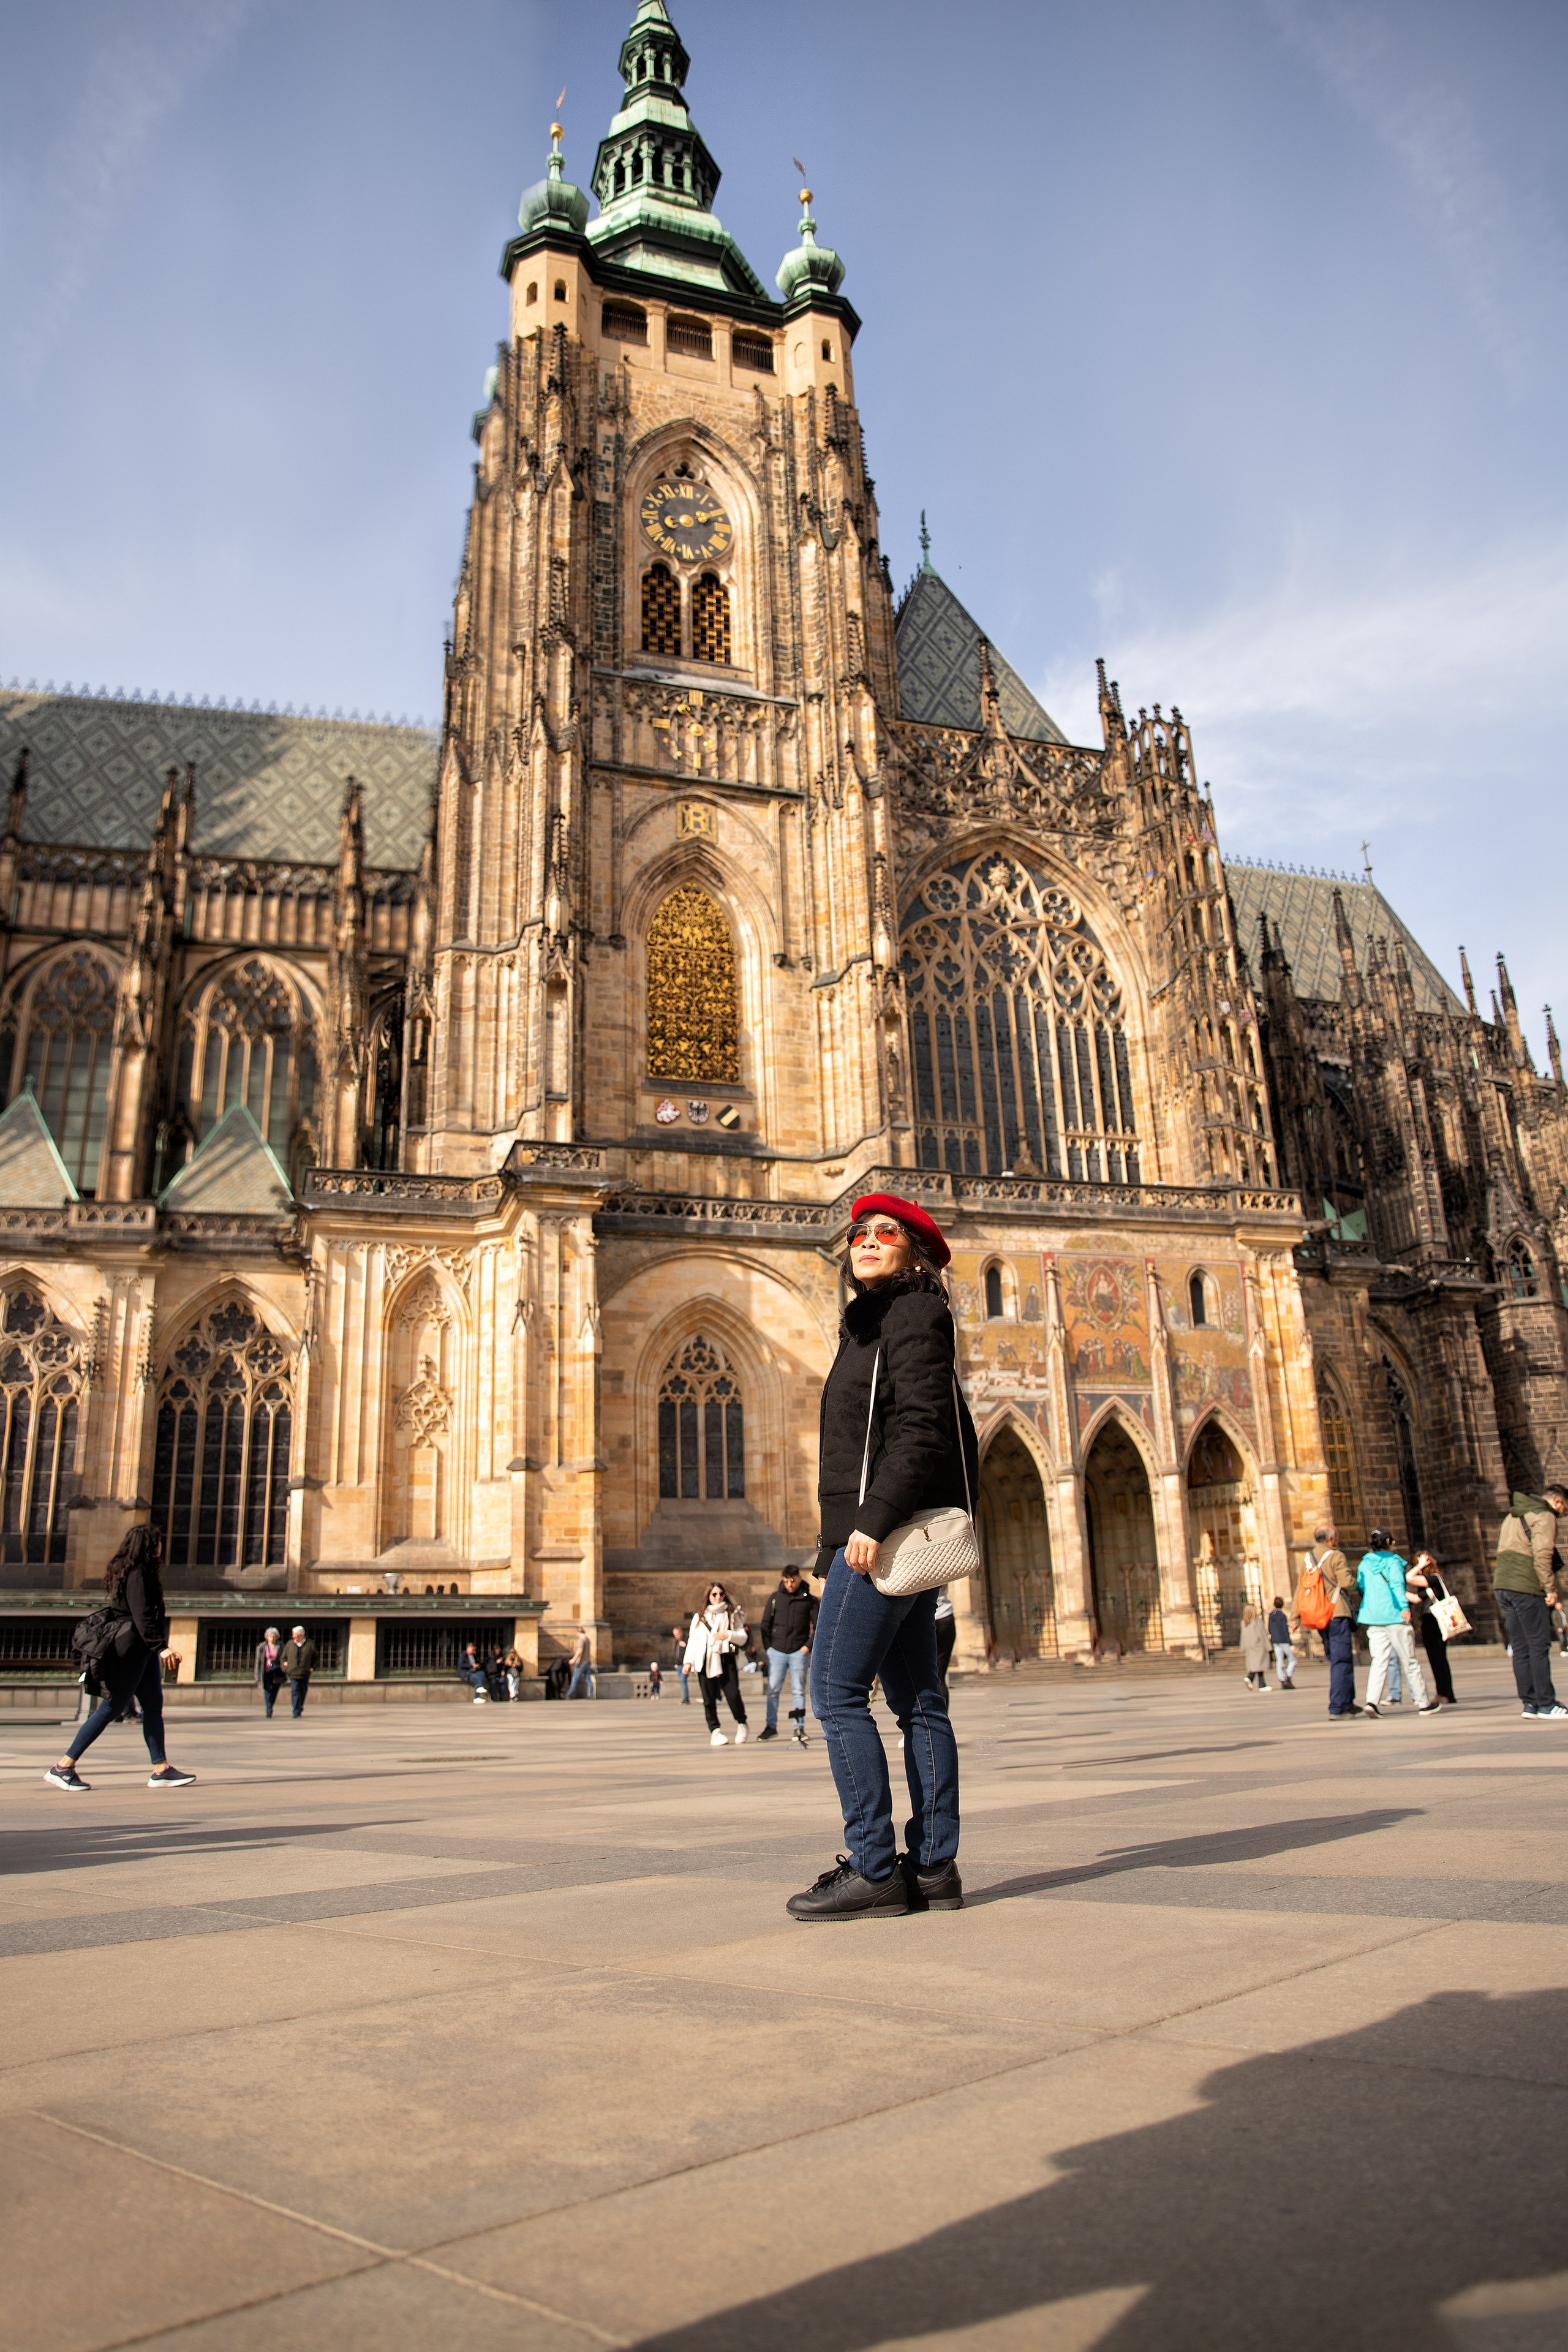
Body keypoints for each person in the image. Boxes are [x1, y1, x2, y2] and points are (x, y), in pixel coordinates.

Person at [789, 1192, 973, 1921]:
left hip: (883, 1537)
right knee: (919, 1702)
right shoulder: (867, 1325)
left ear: (915, 1252)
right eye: (858, 1233)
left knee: (835, 1694)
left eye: (884, 1232)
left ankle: (872, 1867)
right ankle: (932, 1869)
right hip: (870, 1533)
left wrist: (867, 1525)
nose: (866, 1240)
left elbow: (923, 1429)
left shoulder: (913, 1314)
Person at [46, 1525, 195, 1792]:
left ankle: (160, 1769)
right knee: (111, 1708)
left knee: (153, 1707)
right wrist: (161, 1647)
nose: (162, 1547)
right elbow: (141, 1615)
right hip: (133, 1650)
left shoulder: (135, 1571)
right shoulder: (138, 1574)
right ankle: (64, 1766)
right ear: (148, 1545)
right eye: (158, 1542)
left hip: (142, 1650)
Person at [1493, 1485, 1567, 1719]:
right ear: (1557, 1502)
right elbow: (1543, 1553)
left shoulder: (1513, 1514)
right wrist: (1550, 1588)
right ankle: (1546, 1704)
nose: (1564, 1514)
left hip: (1502, 1585)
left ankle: (1530, 1703)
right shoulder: (1544, 1516)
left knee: (1521, 1646)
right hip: (1526, 1586)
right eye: (1565, 1508)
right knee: (1538, 1644)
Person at [1356, 1532, 1438, 1718]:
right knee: (1409, 1661)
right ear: (1387, 1542)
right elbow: (1397, 1585)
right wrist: (1404, 1607)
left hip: (1373, 1617)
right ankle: (1424, 1704)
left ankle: (1371, 1701)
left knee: (1378, 1661)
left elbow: (1361, 1588)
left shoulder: (1364, 1563)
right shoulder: (1394, 1561)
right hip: (1395, 1615)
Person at [1300, 1523, 1361, 1718]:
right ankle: (1337, 1706)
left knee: (1339, 1658)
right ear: (1330, 1539)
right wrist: (1359, 1585)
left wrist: (1294, 1615)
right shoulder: (1336, 1555)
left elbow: (1302, 1587)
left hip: (1320, 1615)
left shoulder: (1309, 1558)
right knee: (1341, 1659)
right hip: (1337, 1613)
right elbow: (1346, 1582)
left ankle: (1348, 1701)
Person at [684, 1583, 750, 1746]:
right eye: (714, 1594)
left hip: (726, 1658)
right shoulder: (700, 1616)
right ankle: (715, 1731)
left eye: (721, 1594)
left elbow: (743, 1637)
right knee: (709, 1698)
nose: (718, 1597)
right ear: (708, 1596)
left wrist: (728, 1634)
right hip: (704, 1659)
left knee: (733, 1694)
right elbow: (693, 1640)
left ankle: (742, 1723)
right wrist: (688, 1662)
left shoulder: (732, 1614)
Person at [760, 1566, 816, 1744]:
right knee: (773, 1690)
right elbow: (765, 1624)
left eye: (792, 1580)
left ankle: (798, 1727)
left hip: (799, 1651)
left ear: (799, 1578)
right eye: (786, 1581)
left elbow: (819, 1626)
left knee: (798, 1690)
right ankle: (771, 1726)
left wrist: (807, 1648)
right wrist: (769, 1647)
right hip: (777, 1651)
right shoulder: (776, 1598)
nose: (789, 1585)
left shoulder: (810, 1600)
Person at [1405, 1551, 1457, 1705]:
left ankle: (1445, 1693)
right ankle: (1445, 1692)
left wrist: (1420, 1565)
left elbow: (1409, 1578)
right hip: (1432, 1621)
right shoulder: (1430, 1583)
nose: (1417, 1568)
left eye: (1418, 1565)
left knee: (1438, 1658)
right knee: (1438, 1659)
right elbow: (1416, 1599)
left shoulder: (1434, 1579)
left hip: (1434, 1621)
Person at [281, 1626, 316, 1717]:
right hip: (293, 1673)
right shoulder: (290, 1644)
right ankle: (296, 1711)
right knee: (295, 1691)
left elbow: (315, 1657)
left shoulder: (310, 1644)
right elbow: (283, 1657)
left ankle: (299, 1707)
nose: (293, 1637)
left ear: (301, 1635)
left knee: (303, 1691)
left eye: (295, 1635)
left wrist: (312, 1667)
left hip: (305, 1673)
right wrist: (285, 1667)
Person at [1238, 1602, 1270, 1692]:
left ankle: (1261, 1684)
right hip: (1259, 1646)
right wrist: (1268, 1646)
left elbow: (1243, 1636)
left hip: (1249, 1646)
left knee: (1256, 1666)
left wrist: (1243, 1647)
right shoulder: (1257, 1621)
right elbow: (1263, 1634)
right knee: (1260, 1665)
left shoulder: (1244, 1622)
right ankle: (1250, 1677)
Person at [255, 1626, 285, 1716]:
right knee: (267, 1689)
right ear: (267, 1637)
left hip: (277, 1671)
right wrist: (257, 1676)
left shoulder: (281, 1646)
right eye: (270, 1636)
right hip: (266, 1671)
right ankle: (269, 1709)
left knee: (275, 1690)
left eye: (274, 1636)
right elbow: (258, 1662)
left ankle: (270, 1705)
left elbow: (284, 1658)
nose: (272, 1638)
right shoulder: (262, 1647)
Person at [1267, 1596, 1295, 1689]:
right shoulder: (1282, 1616)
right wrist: (1291, 1644)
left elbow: (1270, 1628)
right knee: (1293, 1660)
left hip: (1275, 1641)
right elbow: (1285, 1631)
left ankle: (1282, 1680)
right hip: (1284, 1641)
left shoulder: (1271, 1615)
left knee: (1280, 1661)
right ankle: (1288, 1676)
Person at [933, 1586, 957, 1694]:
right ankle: (942, 1711)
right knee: (940, 1678)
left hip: (924, 1619)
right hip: (945, 1616)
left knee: (920, 1677)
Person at [567, 1625, 595, 1700]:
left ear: (578, 1632)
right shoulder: (587, 1639)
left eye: (576, 1633)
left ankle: (569, 1694)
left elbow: (580, 1650)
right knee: (587, 1678)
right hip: (588, 1662)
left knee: (575, 1678)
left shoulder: (581, 1640)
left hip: (582, 1662)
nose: (576, 1635)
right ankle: (591, 1694)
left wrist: (574, 1659)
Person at [672, 1624, 691, 1705]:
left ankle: (686, 1698)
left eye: (677, 1634)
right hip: (679, 1665)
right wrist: (675, 1663)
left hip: (685, 1665)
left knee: (683, 1680)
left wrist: (686, 1646)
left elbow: (691, 1650)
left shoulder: (687, 1640)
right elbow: (676, 1653)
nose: (676, 1636)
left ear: (681, 1633)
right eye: (675, 1635)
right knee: (682, 1681)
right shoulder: (677, 1642)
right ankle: (685, 1697)